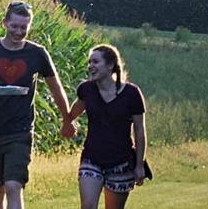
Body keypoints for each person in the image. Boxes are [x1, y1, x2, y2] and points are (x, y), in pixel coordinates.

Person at [0, 0, 72, 209]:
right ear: (4, 23)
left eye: (23, 27)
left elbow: (56, 88)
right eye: (14, 26)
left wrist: (67, 118)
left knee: (13, 185)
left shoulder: (37, 53)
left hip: (19, 130)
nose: (19, 32)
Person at [61, 44, 149, 209]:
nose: (90, 66)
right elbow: (72, 114)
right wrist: (67, 124)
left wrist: (139, 165)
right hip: (92, 158)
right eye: (89, 62)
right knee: (87, 206)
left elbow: (139, 130)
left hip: (121, 161)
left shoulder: (131, 94)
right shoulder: (86, 90)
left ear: (110, 65)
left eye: (95, 62)